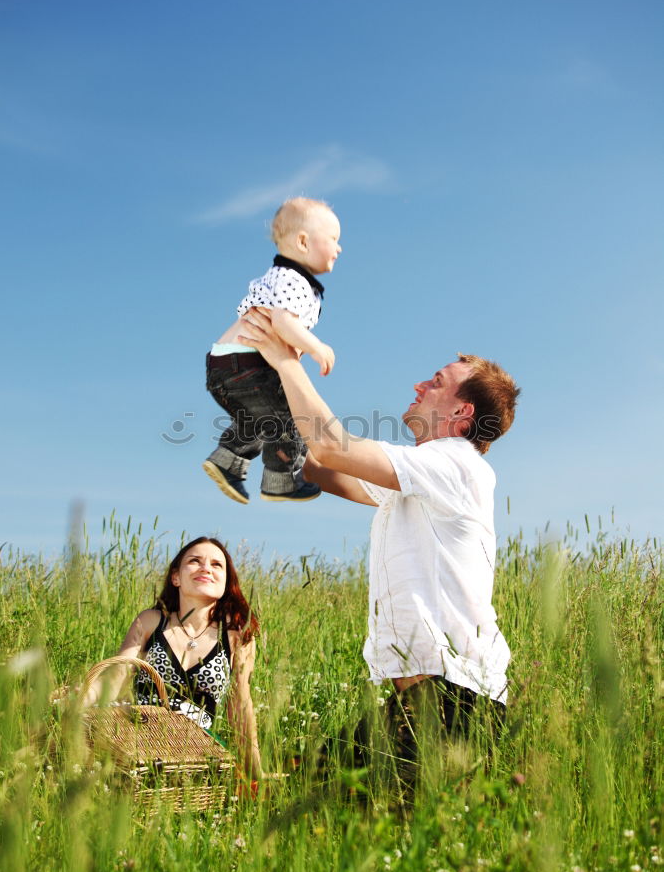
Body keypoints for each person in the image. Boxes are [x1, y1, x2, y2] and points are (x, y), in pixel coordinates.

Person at [238, 310, 520, 788]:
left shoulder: (456, 463)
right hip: (427, 700)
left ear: (461, 412)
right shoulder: (422, 477)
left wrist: (286, 360)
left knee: (334, 809)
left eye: (436, 382)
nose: (418, 385)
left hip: (455, 702)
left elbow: (332, 449)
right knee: (315, 789)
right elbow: (327, 470)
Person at [82, 537, 262, 777]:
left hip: (196, 748)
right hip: (136, 735)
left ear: (226, 581)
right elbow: (115, 677)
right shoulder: (151, 621)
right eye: (195, 561)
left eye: (217, 565)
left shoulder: (237, 635)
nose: (206, 568)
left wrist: (255, 770)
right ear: (176, 577)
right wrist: (80, 698)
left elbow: (240, 704)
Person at [202, 196, 342, 505]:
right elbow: (282, 321)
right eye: (333, 239)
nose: (339, 247)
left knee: (261, 419)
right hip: (248, 364)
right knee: (291, 419)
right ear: (303, 242)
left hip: (224, 365)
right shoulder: (294, 280)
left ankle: (227, 461)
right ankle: (282, 480)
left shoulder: (281, 277)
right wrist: (315, 346)